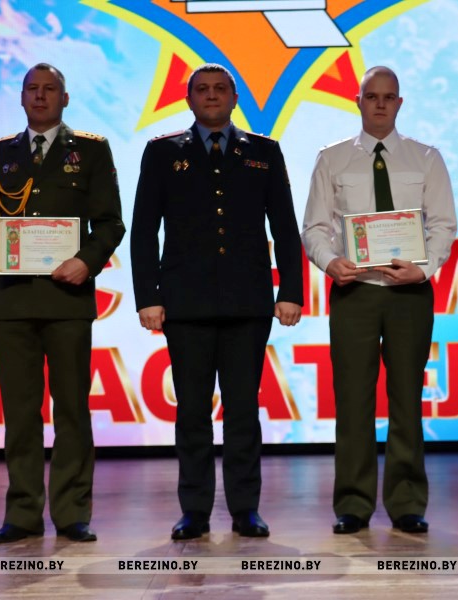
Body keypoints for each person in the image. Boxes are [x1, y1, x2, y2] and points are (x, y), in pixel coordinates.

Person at [131, 63, 303, 540]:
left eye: (220, 88)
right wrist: (148, 297)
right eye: (202, 89)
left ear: (234, 97)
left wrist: (290, 291)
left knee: (243, 410)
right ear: (189, 99)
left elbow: (284, 226)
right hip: (185, 304)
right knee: (192, 412)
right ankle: (195, 511)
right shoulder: (163, 152)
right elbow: (144, 230)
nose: (211, 95)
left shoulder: (263, 152)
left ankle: (246, 509)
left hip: (248, 304)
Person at [0, 63, 125, 544]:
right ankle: (22, 513)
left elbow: (111, 223)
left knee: (72, 409)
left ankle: (73, 511)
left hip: (67, 301)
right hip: (11, 303)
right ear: (21, 98)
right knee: (20, 414)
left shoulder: (91, 150)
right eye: (32, 89)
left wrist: (86, 262)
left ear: (65, 98)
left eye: (50, 89)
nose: (40, 96)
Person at [302, 66, 457, 534]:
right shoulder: (332, 159)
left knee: (407, 399)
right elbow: (314, 227)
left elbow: (443, 224)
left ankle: (407, 503)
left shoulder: (426, 157)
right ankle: (353, 503)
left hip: (410, 292)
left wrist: (424, 269)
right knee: (353, 401)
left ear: (400, 103)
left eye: (389, 97)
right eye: (373, 96)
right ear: (359, 101)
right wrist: (330, 262)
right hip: (356, 292)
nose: (381, 104)